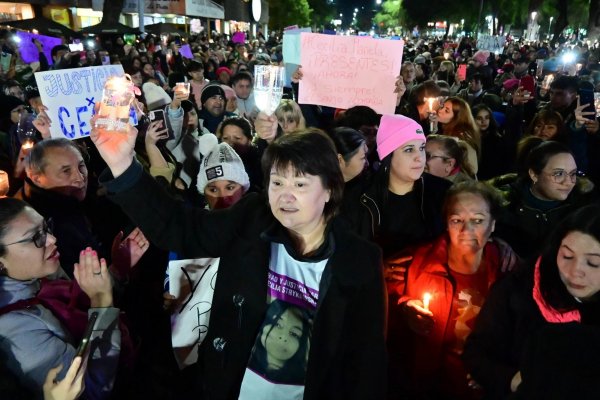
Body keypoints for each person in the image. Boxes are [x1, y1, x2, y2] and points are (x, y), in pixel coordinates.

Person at [90, 121, 387, 399]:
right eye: (277, 183)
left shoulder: (359, 261)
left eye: (300, 185)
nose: (285, 197)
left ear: (329, 190)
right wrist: (122, 166)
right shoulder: (253, 217)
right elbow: (181, 227)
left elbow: (365, 363)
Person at [463, 204, 600, 400]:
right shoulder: (518, 288)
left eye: (593, 262)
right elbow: (477, 353)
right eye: (567, 256)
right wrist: (513, 380)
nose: (575, 271)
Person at [392, 181, 508, 399]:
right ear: (446, 222)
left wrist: (496, 372)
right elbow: (386, 304)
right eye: (457, 220)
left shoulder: (507, 269)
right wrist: (405, 306)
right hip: (429, 387)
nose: (467, 230)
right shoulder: (415, 262)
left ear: (493, 224)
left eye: (478, 220)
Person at [0, 198, 121, 400]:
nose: (52, 239)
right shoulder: (14, 330)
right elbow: (91, 390)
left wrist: (117, 271)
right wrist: (102, 303)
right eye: (35, 237)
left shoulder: (39, 273)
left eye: (46, 228)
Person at [344, 114, 451, 259]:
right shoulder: (358, 197)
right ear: (388, 156)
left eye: (422, 148)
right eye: (409, 150)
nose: (420, 157)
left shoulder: (443, 192)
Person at [492, 141, 594, 261]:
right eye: (559, 174)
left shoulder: (584, 206)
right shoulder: (503, 204)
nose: (568, 182)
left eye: (573, 173)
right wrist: (495, 242)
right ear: (534, 174)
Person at [434, 96, 481, 176]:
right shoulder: (443, 129)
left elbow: (471, 169)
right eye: (442, 107)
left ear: (456, 117)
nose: (440, 111)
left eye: (446, 111)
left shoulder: (461, 137)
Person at [471, 104, 514, 180]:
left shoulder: (497, 140)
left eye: (487, 118)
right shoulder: (468, 139)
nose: (483, 121)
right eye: (479, 118)